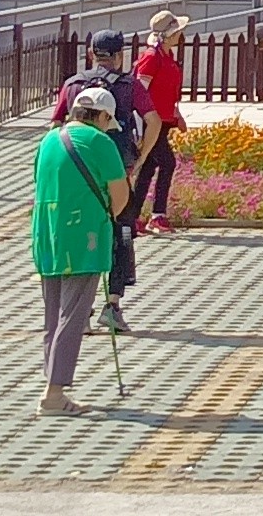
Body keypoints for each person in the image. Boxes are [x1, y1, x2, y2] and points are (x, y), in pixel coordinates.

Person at [29, 85, 129, 415]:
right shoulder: (100, 142)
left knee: (53, 314)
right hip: (84, 237)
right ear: (101, 117)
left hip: (47, 235)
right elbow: (120, 196)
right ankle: (54, 394)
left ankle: (51, 384)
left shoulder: (49, 139)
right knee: (72, 316)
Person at [58, 32, 151, 333]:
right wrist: (140, 157)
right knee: (121, 236)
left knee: (84, 239)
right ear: (120, 55)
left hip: (80, 179)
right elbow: (154, 120)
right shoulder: (129, 86)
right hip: (117, 174)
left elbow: (57, 124)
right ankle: (112, 306)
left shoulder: (73, 85)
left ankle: (81, 311)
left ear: (90, 53)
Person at [133, 13, 188, 234]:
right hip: (151, 122)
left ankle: (134, 216)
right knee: (167, 163)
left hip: (163, 121)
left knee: (148, 166)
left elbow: (169, 92)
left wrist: (176, 115)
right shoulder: (151, 57)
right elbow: (140, 92)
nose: (180, 35)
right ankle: (157, 215)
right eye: (177, 31)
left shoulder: (167, 56)